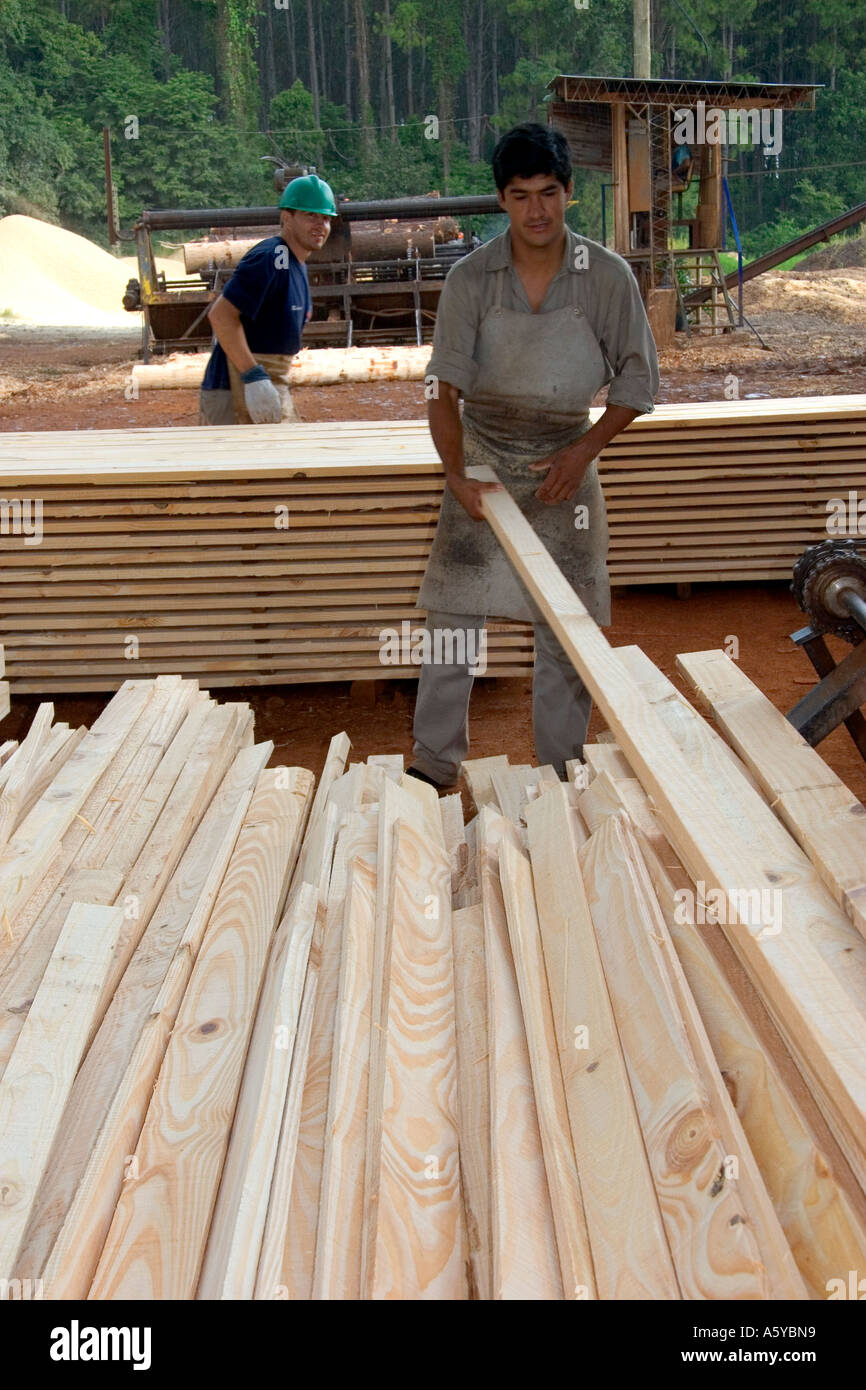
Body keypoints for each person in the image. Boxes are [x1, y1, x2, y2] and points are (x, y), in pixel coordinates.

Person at [407, 122, 659, 790]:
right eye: (520, 196)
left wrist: (584, 452)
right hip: (483, 455)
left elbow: (638, 383)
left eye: (548, 193)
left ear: (570, 192)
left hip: (566, 457)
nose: (537, 211)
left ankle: (562, 773)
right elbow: (443, 388)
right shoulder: (471, 279)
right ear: (501, 200)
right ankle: (433, 764)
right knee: (453, 616)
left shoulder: (606, 278)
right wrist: (456, 475)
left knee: (568, 626)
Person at [198, 174, 336, 425]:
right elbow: (220, 316)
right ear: (287, 218)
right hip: (234, 391)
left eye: (326, 218)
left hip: (269, 384)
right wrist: (253, 376)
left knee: (289, 460)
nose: (320, 225)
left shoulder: (297, 264)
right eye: (310, 216)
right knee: (245, 464)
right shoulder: (271, 257)